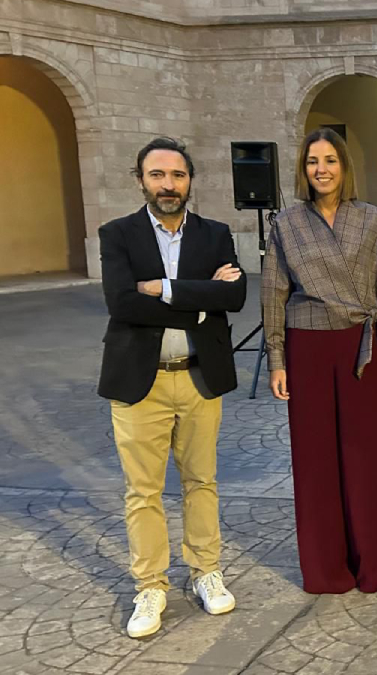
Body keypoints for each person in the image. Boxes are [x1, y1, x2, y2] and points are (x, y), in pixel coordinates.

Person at [99, 137, 246, 638]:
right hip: (140, 382)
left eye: (177, 176)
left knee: (201, 482)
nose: (168, 184)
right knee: (143, 491)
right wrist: (203, 300)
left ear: (190, 181)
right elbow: (122, 305)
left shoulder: (215, 234)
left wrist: (161, 289)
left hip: (199, 377)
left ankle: (206, 571)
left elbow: (238, 294)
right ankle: (151, 585)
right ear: (140, 179)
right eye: (158, 175)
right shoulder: (117, 234)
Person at [262, 127, 377, 594]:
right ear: (303, 169)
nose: (322, 169)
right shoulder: (286, 223)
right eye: (313, 161)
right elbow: (273, 293)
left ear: (345, 167)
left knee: (369, 458)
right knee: (316, 460)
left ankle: (371, 563)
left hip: (363, 346)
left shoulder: (373, 219)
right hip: (309, 345)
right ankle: (324, 568)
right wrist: (276, 357)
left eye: (330, 160)